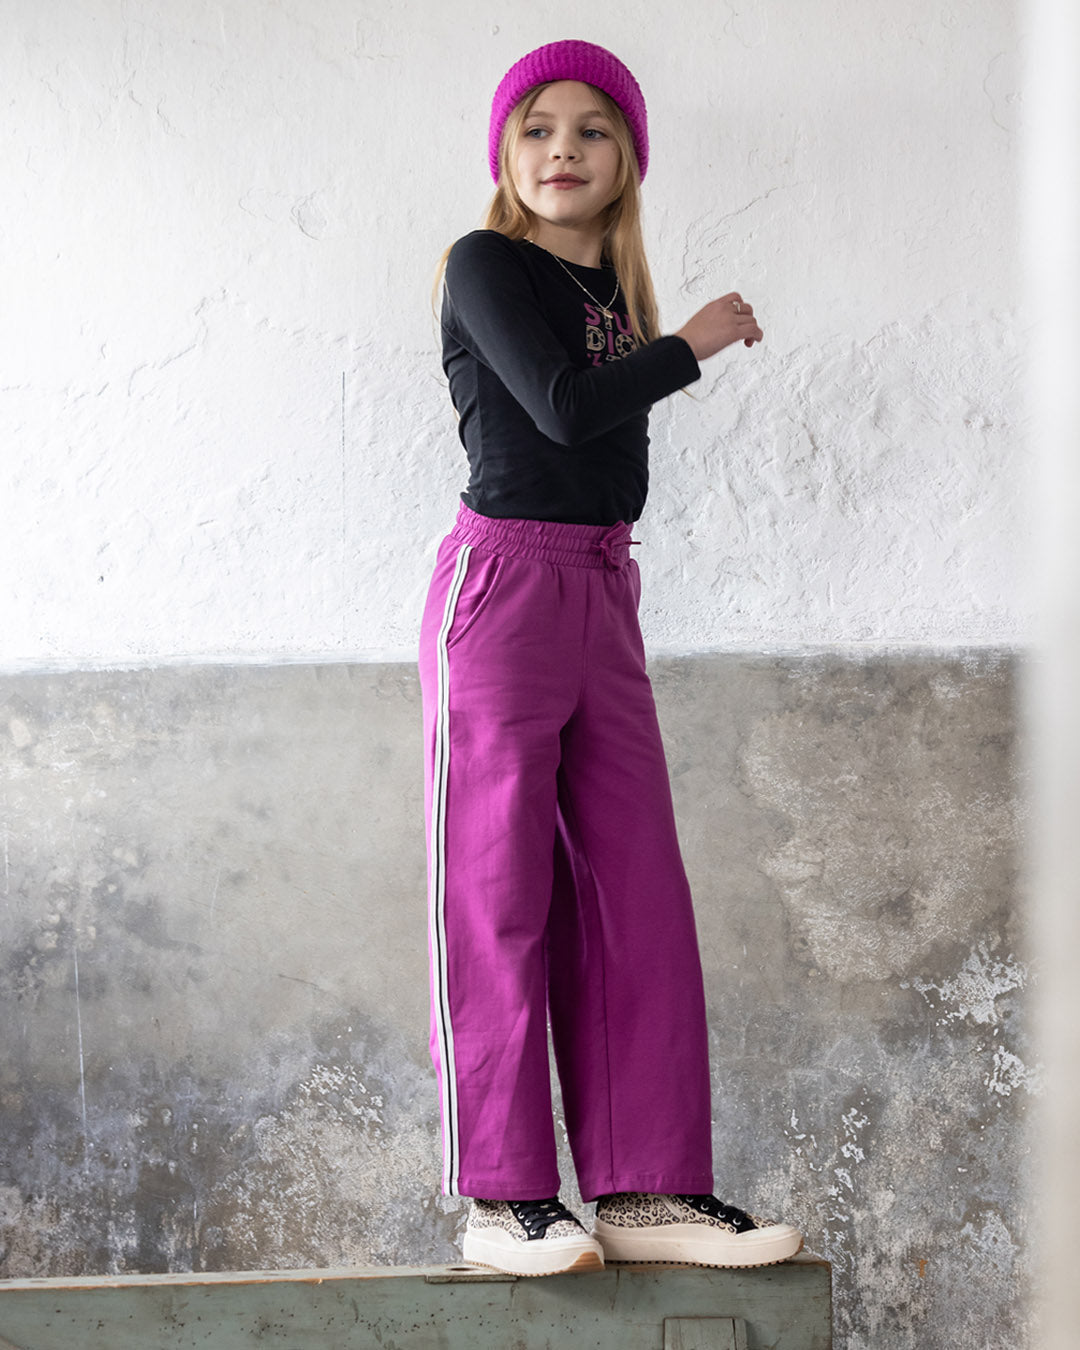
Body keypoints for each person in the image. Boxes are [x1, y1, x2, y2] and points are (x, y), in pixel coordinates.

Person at [418, 39, 804, 1278]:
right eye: (538, 128)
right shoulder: (486, 264)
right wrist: (691, 344)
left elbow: (601, 443)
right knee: (496, 895)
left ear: (628, 158)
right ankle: (504, 1200)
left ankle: (642, 1191)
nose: (563, 148)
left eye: (592, 129)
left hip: (602, 587)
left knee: (637, 891)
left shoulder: (608, 302)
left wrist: (655, 337)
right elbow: (562, 410)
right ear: (506, 153)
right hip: (503, 591)